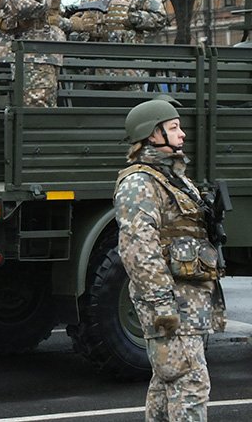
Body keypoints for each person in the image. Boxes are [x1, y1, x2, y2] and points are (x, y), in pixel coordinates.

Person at [114, 98, 225, 421]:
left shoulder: (174, 178)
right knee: (190, 385)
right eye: (174, 128)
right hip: (172, 304)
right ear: (152, 134)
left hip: (187, 301)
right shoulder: (140, 183)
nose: (182, 135)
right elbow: (138, 249)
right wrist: (163, 304)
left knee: (168, 382)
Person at [68, 0, 167, 90]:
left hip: (127, 74)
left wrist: (132, 18)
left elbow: (160, 17)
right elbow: (79, 20)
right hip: (95, 74)